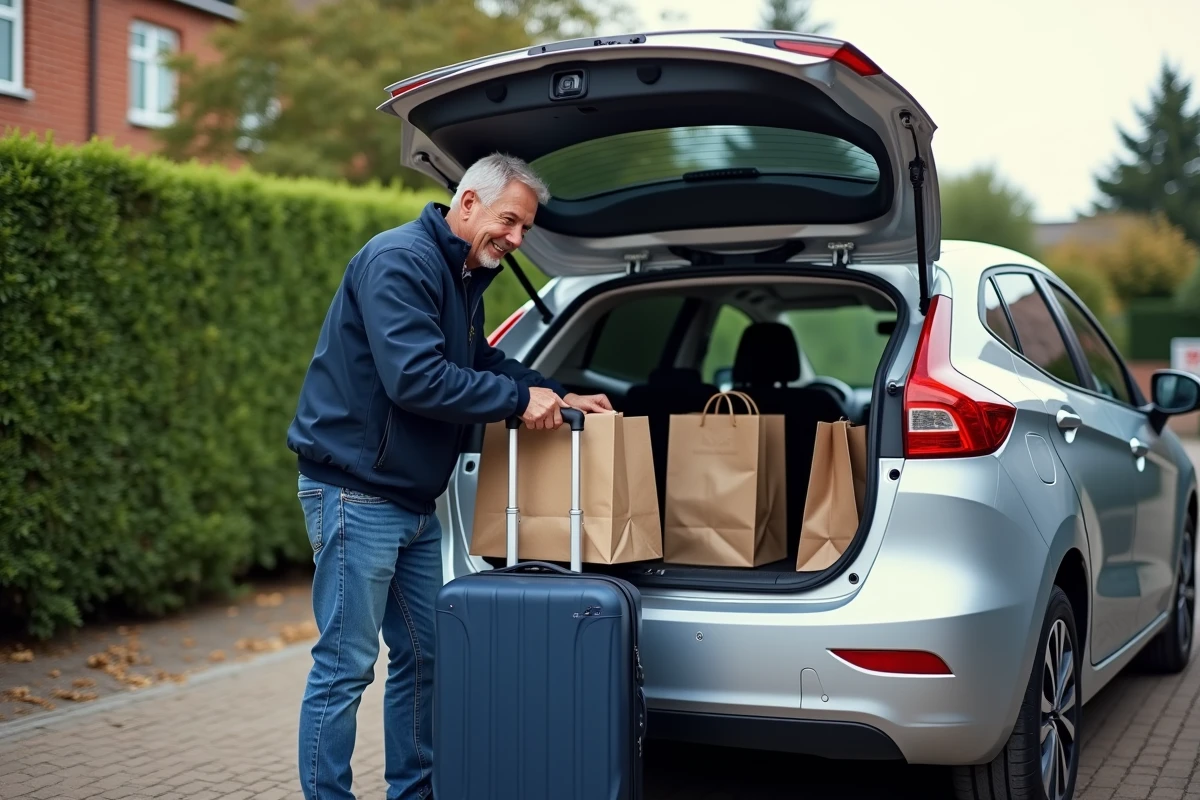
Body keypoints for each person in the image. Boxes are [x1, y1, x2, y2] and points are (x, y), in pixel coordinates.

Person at [285, 152, 612, 800]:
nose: (517, 239)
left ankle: (415, 793)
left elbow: (481, 360)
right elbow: (415, 378)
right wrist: (521, 404)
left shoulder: (458, 273)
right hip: (354, 492)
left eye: (523, 228)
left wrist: (556, 393)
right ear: (467, 204)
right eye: (510, 221)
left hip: (408, 501)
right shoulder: (400, 261)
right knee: (345, 667)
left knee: (425, 658)